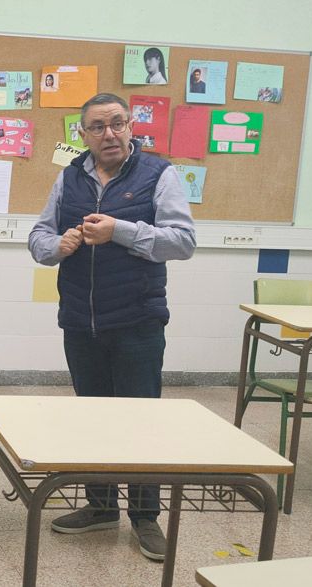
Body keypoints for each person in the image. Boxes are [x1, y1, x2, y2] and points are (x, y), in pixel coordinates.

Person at [27, 92, 195, 563]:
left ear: (131, 126)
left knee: (141, 420)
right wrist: (57, 245)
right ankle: (101, 505)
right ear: (82, 135)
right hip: (81, 321)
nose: (110, 134)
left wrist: (119, 230)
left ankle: (145, 517)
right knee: (92, 415)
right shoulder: (69, 176)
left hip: (138, 320)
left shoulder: (159, 174)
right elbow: (38, 236)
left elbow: (182, 242)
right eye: (98, 127)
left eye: (118, 123)